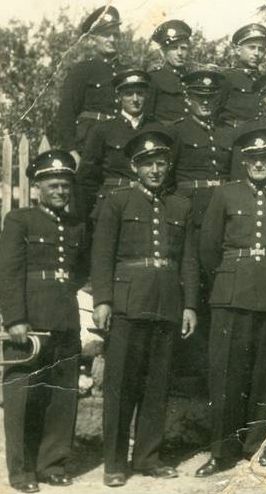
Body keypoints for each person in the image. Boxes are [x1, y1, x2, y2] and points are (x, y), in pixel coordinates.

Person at [91, 129, 198, 487]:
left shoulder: (181, 205)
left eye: (161, 163)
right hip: (128, 304)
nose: (155, 170)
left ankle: (148, 457)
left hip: (167, 303)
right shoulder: (117, 201)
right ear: (135, 167)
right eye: (148, 164)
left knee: (157, 384)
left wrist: (190, 305)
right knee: (121, 385)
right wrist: (103, 300)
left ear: (168, 166)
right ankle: (114, 463)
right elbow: (102, 255)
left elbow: (188, 260)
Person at [195, 128, 266, 476]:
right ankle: (221, 451)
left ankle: (257, 446)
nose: (259, 164)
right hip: (231, 293)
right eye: (253, 158)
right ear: (244, 161)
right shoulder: (225, 194)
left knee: (265, 374)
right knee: (226, 374)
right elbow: (208, 248)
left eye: (265, 158)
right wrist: (229, 278)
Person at [0, 151, 87, 493]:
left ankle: (52, 464)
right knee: (23, 396)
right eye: (53, 185)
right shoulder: (19, 220)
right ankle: (22, 471)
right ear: (37, 188)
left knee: (62, 394)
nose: (61, 191)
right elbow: (8, 272)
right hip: (30, 320)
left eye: (65, 185)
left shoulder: (76, 224)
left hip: (65, 317)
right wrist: (14, 318)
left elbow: (80, 270)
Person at [75, 69, 155, 221]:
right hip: (112, 206)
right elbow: (86, 177)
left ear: (147, 95)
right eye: (129, 94)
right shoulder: (102, 130)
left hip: (147, 204)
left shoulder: (156, 128)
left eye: (140, 93)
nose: (135, 99)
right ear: (119, 97)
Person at [54, 6, 123, 161]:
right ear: (93, 39)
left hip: (120, 145)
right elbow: (66, 113)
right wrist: (71, 150)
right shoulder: (82, 70)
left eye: (115, 35)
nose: (112, 39)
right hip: (89, 145)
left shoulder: (127, 71)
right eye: (106, 34)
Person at [170, 69, 233, 227]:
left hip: (222, 203)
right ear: (188, 99)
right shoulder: (177, 130)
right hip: (190, 205)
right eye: (200, 97)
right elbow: (168, 176)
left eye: (210, 97)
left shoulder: (227, 130)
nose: (206, 102)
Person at [220, 23, 266, 128]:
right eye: (252, 47)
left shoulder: (265, 81)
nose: (256, 53)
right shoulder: (226, 78)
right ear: (238, 50)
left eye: (261, 49)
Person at [148, 20, 193, 125]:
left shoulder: (192, 78)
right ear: (163, 52)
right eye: (174, 48)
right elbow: (148, 117)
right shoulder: (154, 79)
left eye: (183, 48)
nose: (180, 53)